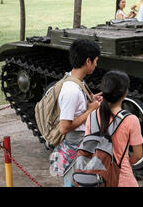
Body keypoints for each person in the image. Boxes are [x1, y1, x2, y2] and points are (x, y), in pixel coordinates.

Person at [85, 71, 143, 187]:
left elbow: (88, 149)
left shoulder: (91, 117)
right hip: (122, 179)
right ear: (124, 94)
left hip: (98, 179)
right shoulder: (131, 120)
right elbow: (138, 155)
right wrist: (126, 163)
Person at [57, 39, 103, 187]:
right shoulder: (71, 90)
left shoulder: (78, 83)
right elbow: (64, 127)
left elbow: (77, 110)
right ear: (88, 61)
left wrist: (90, 100)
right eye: (95, 61)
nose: (96, 65)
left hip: (82, 143)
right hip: (76, 144)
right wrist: (90, 110)